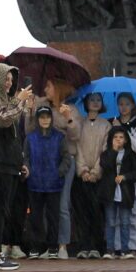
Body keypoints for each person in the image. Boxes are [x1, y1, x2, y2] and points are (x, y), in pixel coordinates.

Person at [0, 62, 33, 271]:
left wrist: (20, 163)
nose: (9, 83)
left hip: (8, 163)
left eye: (11, 79)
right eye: (6, 79)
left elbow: (13, 136)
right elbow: (2, 119)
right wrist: (19, 102)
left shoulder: (7, 101)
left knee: (4, 209)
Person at [26, 78, 80, 259]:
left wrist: (68, 118)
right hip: (41, 165)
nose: (45, 89)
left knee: (62, 206)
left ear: (58, 88)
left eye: (48, 86)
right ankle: (45, 246)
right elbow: (29, 129)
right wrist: (29, 109)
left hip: (62, 161)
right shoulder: (41, 104)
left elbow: (75, 135)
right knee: (42, 209)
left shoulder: (70, 109)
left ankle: (61, 245)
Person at [23, 105, 70, 259]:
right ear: (37, 119)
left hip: (53, 184)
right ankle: (35, 247)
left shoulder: (59, 137)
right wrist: (28, 170)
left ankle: (52, 247)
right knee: (35, 217)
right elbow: (26, 158)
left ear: (51, 118)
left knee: (53, 217)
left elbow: (66, 158)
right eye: (42, 117)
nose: (45, 120)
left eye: (47, 117)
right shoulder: (30, 138)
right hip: (34, 183)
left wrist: (59, 173)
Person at [72, 92, 111, 259]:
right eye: (91, 100)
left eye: (98, 100)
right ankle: (83, 246)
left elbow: (105, 149)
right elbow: (77, 147)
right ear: (86, 103)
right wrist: (83, 170)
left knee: (96, 212)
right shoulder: (80, 123)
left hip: (98, 177)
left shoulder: (106, 125)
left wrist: (95, 171)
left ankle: (96, 246)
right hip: (81, 176)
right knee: (82, 212)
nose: (95, 103)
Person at [109, 93, 136, 256]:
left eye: (127, 104)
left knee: (135, 211)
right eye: (120, 104)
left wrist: (122, 128)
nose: (123, 107)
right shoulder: (113, 120)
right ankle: (119, 246)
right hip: (117, 172)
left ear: (133, 105)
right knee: (118, 212)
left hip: (133, 171)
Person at [99, 126, 136, 259]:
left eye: (121, 137)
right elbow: (105, 165)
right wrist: (113, 151)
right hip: (110, 192)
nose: (118, 140)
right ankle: (110, 249)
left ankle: (125, 249)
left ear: (126, 140)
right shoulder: (106, 154)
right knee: (110, 221)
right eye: (115, 137)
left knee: (125, 222)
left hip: (125, 192)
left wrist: (125, 177)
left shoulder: (131, 155)